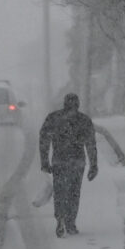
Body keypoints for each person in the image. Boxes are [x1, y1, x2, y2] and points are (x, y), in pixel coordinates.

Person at [39, 92, 97, 237]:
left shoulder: (53, 118)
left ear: (64, 104)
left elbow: (44, 141)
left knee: (59, 192)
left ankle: (60, 218)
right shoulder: (84, 120)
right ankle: (70, 222)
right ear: (78, 105)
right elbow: (91, 144)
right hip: (77, 162)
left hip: (59, 161)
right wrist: (93, 165)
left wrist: (45, 161)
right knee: (74, 192)